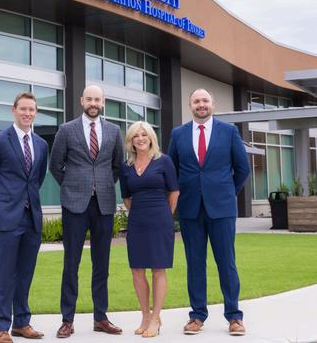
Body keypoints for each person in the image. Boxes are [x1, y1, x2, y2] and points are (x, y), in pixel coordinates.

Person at [167, 89, 251, 337]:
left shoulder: (229, 131)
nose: (201, 104)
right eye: (196, 101)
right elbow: (171, 171)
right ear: (190, 105)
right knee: (195, 264)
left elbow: (243, 168)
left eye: (205, 100)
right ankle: (197, 315)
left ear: (212, 104)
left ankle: (234, 316)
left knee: (226, 262)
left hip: (222, 209)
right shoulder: (178, 134)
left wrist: (227, 192)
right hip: (190, 209)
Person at [49, 85, 124, 338]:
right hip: (74, 204)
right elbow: (55, 165)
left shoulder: (114, 131)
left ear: (103, 102)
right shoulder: (66, 130)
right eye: (89, 99)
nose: (93, 103)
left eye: (97, 99)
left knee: (102, 264)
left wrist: (103, 185)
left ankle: (100, 318)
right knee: (71, 263)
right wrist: (72, 186)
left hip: (104, 204)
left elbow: (117, 166)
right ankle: (67, 320)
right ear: (82, 101)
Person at [0, 92, 48, 343]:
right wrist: (1, 202)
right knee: (5, 274)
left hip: (32, 217)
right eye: (23, 109)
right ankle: (1, 328)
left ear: (36, 112)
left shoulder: (41, 144)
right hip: (7, 217)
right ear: (14, 110)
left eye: (31, 110)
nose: (27, 113)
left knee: (26, 273)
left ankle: (21, 323)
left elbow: (37, 178)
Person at [120, 121, 179, 338]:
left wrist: (165, 214)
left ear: (151, 138)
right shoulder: (126, 166)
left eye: (144, 134)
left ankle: (156, 318)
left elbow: (174, 192)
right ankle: (145, 315)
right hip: (137, 221)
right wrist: (140, 213)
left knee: (158, 269)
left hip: (160, 220)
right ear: (131, 141)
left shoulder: (164, 161)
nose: (140, 138)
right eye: (136, 135)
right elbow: (126, 197)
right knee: (137, 269)